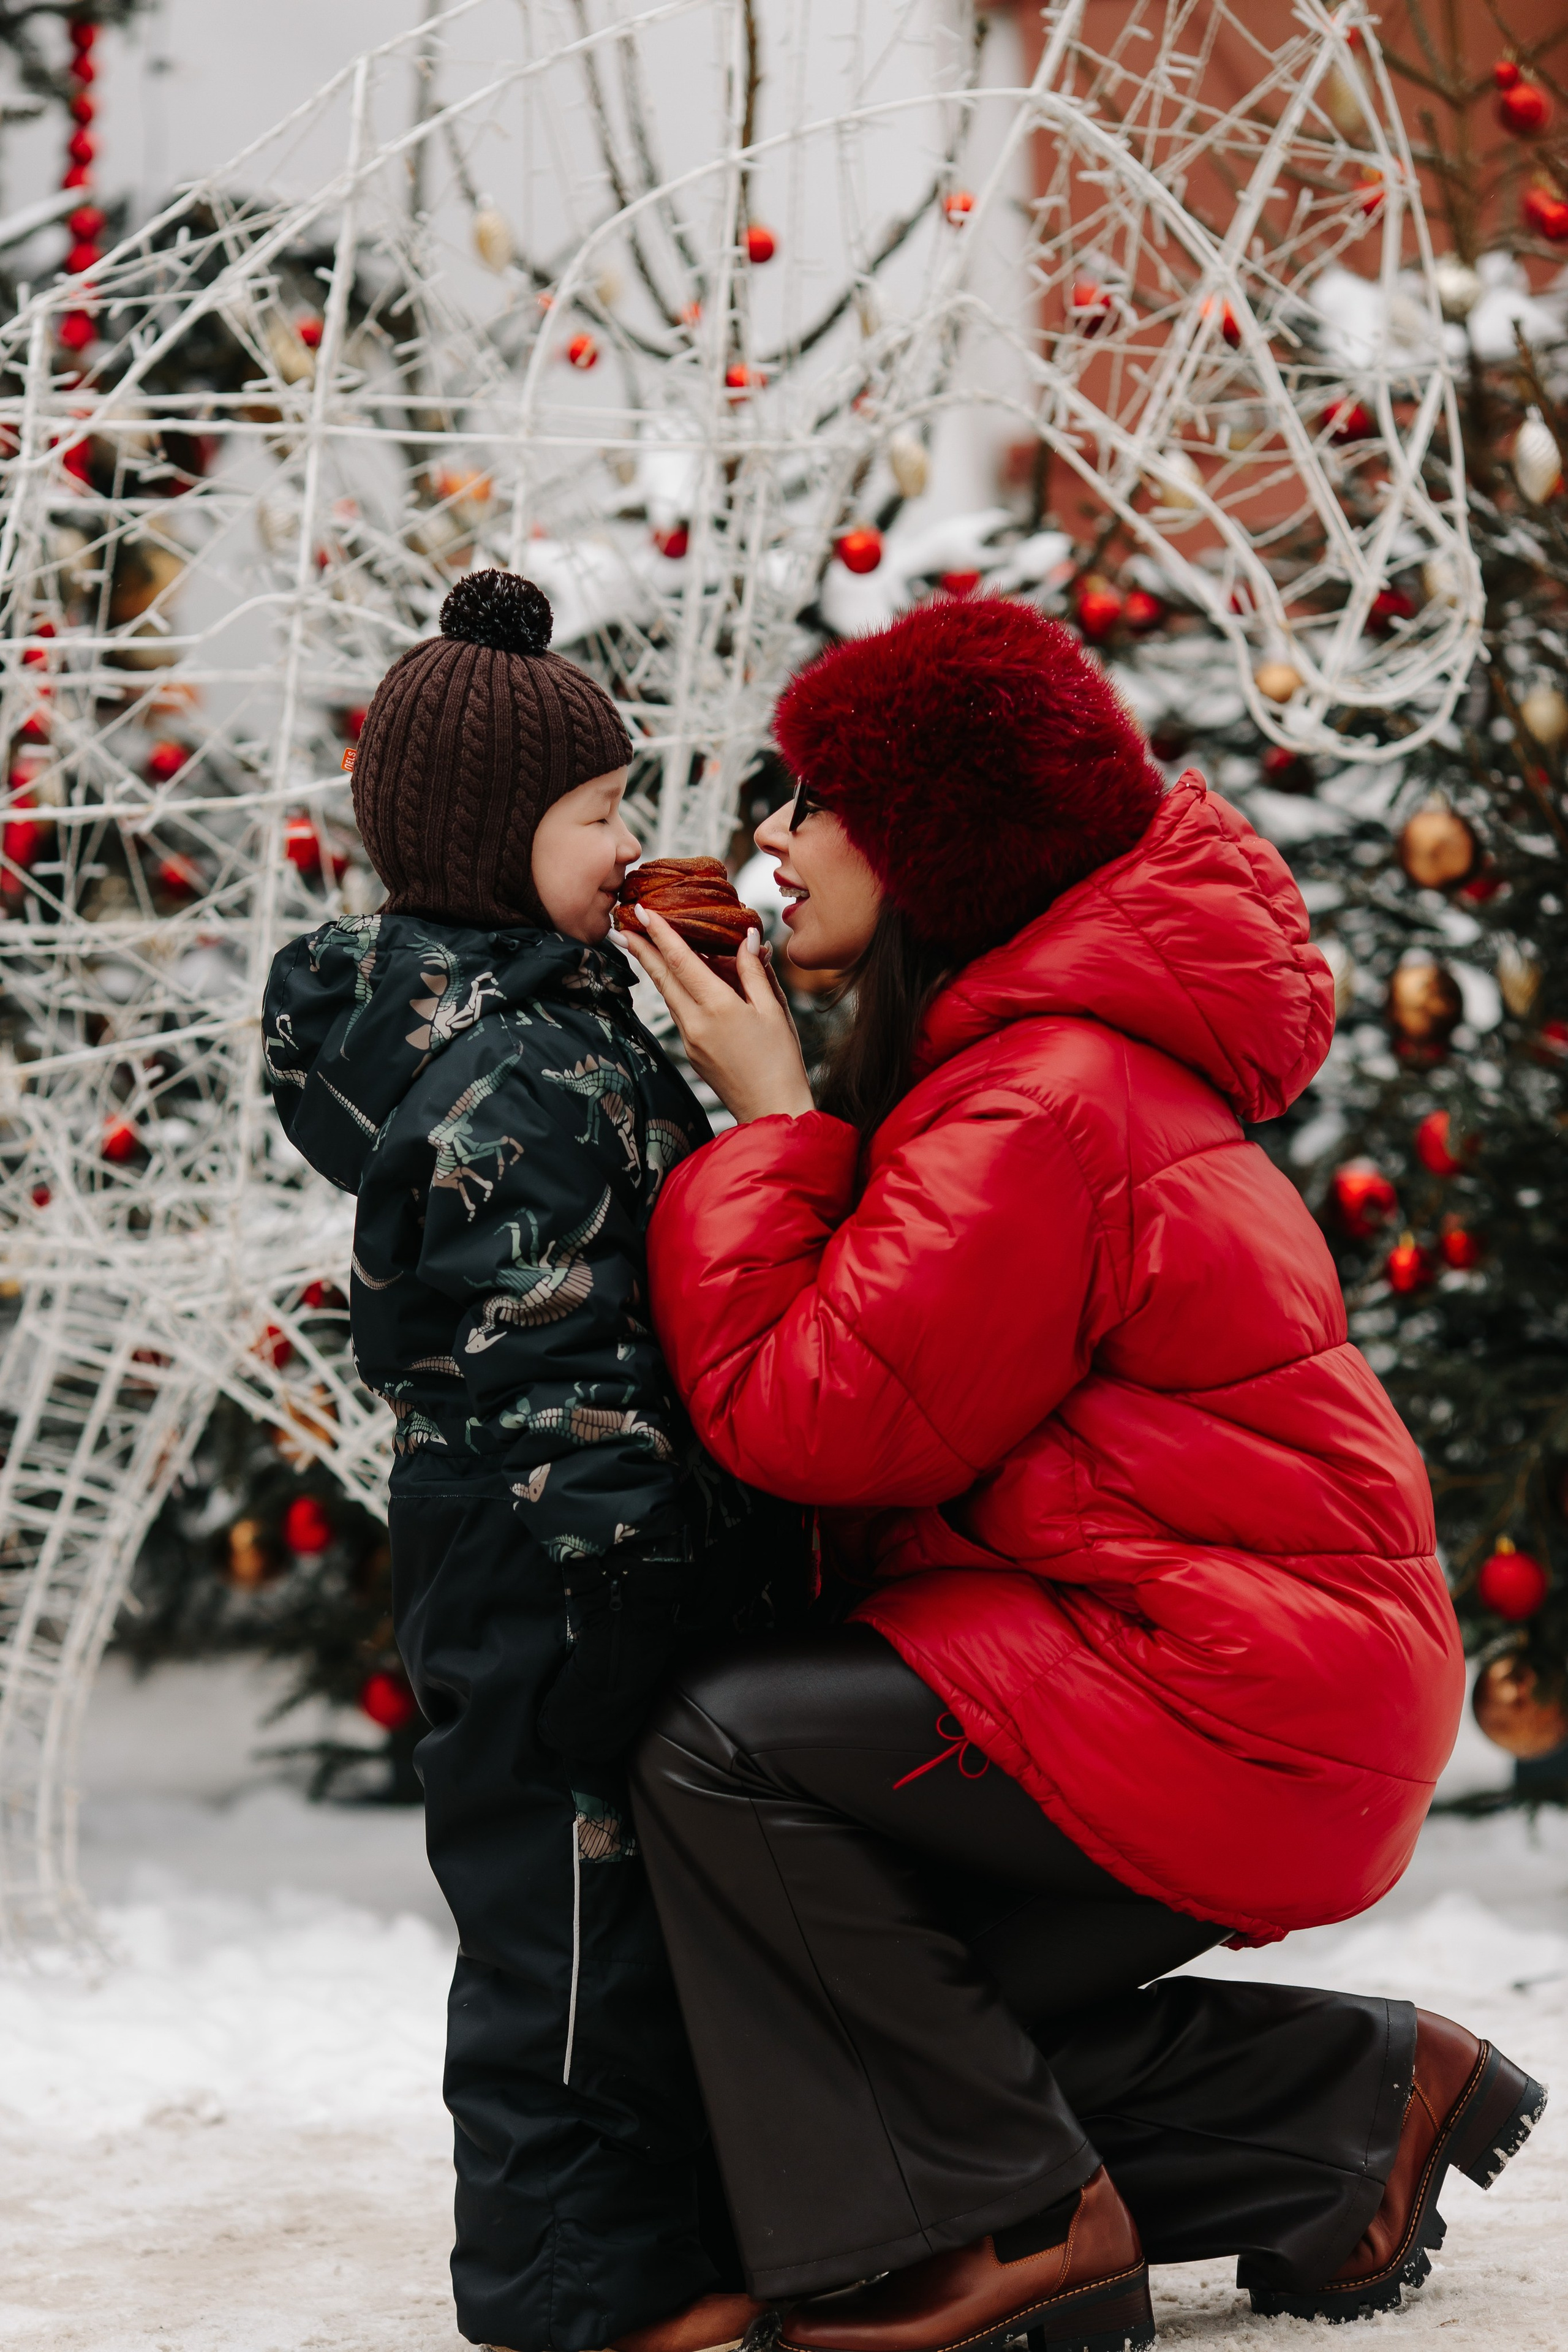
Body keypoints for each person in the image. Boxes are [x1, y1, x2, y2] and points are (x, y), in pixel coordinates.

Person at [618, 594, 1547, 2352]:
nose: (774, 842)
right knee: (845, 2014)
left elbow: (816, 1414)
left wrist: (765, 1120)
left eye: (818, 801)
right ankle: (1346, 2120)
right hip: (1234, 1675)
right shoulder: (1024, 1071)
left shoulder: (1042, 1101)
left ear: (933, 841)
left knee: (720, 1750)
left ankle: (1028, 2226)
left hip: (1231, 1689)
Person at [261, 570, 796, 2352]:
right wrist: (628, 1558)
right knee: (561, 1931)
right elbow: (541, 1340)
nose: (628, 841)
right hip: (549, 1548)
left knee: (617, 1908)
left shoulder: (550, 1021)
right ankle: (572, 2288)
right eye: (597, 816)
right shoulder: (514, 1068)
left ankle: (649, 2245)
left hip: (571, 1537)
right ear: (499, 843)